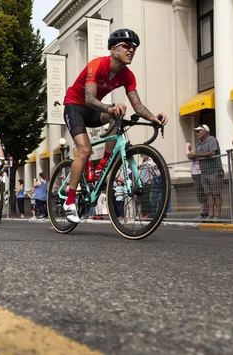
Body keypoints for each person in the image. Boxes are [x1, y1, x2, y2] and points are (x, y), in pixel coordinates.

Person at [61, 28, 169, 223]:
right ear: (113, 49)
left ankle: (103, 164)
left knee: (116, 117)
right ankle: (69, 202)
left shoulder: (127, 76)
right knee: (84, 151)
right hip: (75, 106)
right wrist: (110, 106)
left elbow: (137, 105)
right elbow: (89, 98)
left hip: (93, 110)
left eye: (134, 48)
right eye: (126, 46)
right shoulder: (97, 65)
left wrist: (154, 117)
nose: (131, 51)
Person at [188, 124, 223, 220]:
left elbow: (212, 153)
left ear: (205, 131)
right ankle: (210, 215)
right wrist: (192, 155)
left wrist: (197, 155)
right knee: (208, 194)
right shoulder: (199, 144)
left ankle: (217, 215)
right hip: (204, 172)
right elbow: (197, 155)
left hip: (214, 170)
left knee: (216, 194)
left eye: (199, 131)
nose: (197, 133)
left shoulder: (212, 139)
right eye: (197, 132)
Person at [186, 142, 208, 219]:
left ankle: (205, 213)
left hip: (200, 172)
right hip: (195, 173)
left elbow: (189, 155)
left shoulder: (201, 153)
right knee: (200, 194)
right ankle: (204, 213)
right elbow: (190, 155)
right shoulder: (195, 152)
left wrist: (187, 146)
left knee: (203, 193)